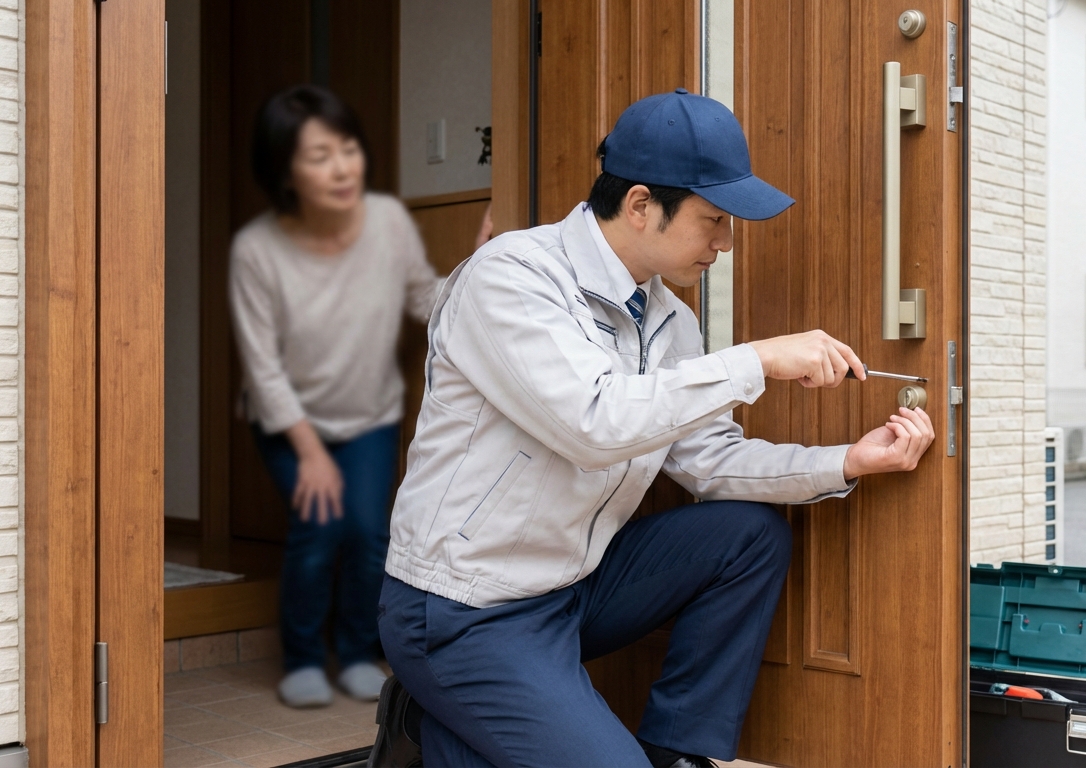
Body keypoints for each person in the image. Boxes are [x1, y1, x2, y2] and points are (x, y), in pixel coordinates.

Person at [378, 88, 936, 767]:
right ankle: (436, 709)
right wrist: (757, 360)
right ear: (641, 205)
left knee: (747, 535)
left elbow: (708, 461)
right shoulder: (513, 277)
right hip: (465, 608)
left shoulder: (670, 318)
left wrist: (846, 461)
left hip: (571, 589)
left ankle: (674, 752)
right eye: (713, 220)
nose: (725, 242)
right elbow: (594, 423)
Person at [229, 85, 440, 708]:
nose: (343, 167)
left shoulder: (388, 221)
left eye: (348, 149)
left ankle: (354, 652)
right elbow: (263, 369)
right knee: (320, 528)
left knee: (370, 534)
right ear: (285, 172)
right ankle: (301, 658)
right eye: (320, 156)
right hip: (289, 420)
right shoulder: (257, 251)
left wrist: (481, 270)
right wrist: (310, 452)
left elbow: (425, 297)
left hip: (369, 414)